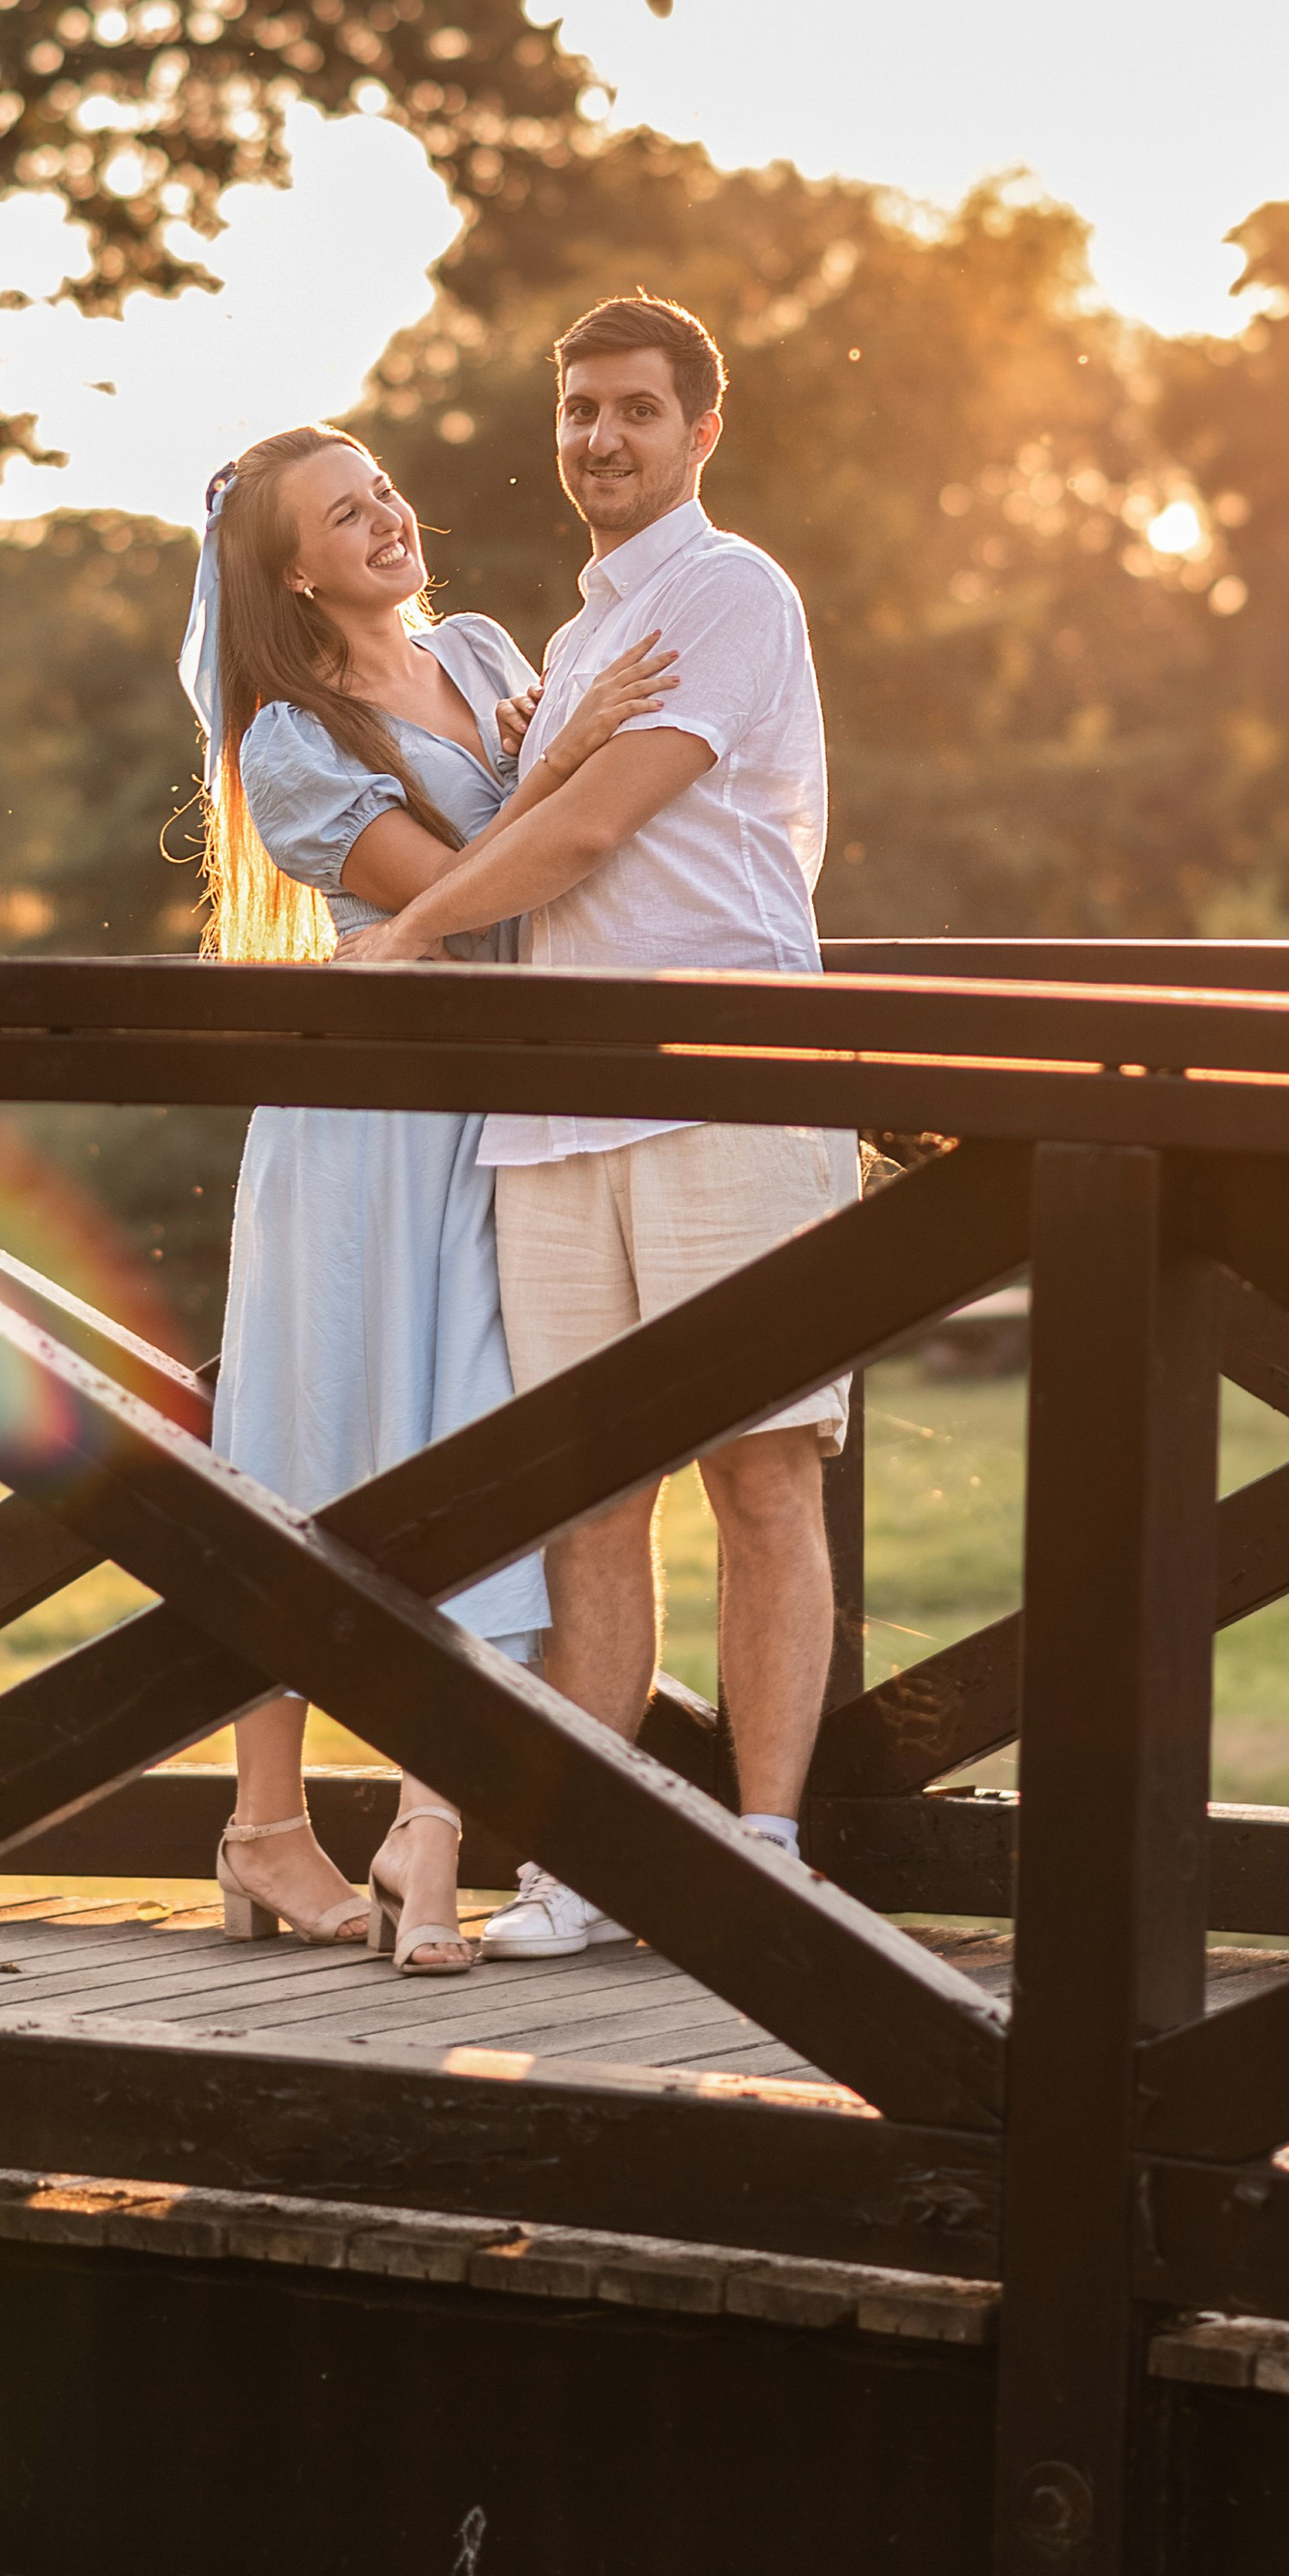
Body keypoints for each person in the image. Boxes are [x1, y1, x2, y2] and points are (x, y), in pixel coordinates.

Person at [337, 294, 852, 1958]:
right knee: (587, 1501)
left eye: (636, 409)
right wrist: (558, 738)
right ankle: (588, 1863)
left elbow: (585, 836)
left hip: (730, 1092)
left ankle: (767, 1845)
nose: (600, 439)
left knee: (763, 1473)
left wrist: (406, 940)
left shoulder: (728, 590)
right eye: (578, 412)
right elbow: (550, 812)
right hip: (553, 1117)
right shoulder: (575, 646)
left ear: (704, 430)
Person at [180, 422, 675, 1973]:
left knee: (472, 1437)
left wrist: (568, 740)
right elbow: (459, 879)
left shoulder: (477, 644)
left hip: (499, 1109)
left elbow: (546, 871)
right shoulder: (288, 741)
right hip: (367, 1130)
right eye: (346, 511)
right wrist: (588, 751)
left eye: (384, 488)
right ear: (291, 566)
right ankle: (266, 1826)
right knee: (314, 1429)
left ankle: (430, 1828)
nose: (387, 516)